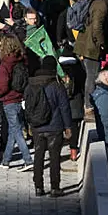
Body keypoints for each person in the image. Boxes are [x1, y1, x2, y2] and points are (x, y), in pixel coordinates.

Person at [27, 56, 72, 197]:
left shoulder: (31, 85)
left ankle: (38, 187)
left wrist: (28, 124)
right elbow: (64, 108)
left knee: (38, 157)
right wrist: (68, 127)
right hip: (54, 127)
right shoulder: (57, 86)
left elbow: (27, 107)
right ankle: (54, 187)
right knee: (54, 158)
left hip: (37, 127)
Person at [0, 35, 32, 170]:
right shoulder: (22, 59)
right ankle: (6, 160)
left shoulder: (5, 63)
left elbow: (3, 85)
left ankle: (28, 160)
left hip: (9, 100)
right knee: (13, 130)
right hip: (20, 97)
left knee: (16, 130)